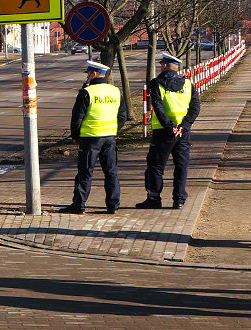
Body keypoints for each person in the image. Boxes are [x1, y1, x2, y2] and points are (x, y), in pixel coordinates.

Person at [59, 61, 127, 215]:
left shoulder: (87, 92)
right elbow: (123, 116)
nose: (88, 76)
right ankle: (113, 206)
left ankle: (79, 206)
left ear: (94, 74)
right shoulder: (116, 91)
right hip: (109, 138)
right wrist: (114, 130)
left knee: (85, 173)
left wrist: (75, 136)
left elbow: (77, 118)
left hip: (90, 139)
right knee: (111, 173)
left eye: (88, 73)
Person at [137, 52, 200, 209]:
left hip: (163, 132)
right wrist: (184, 126)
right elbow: (195, 107)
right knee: (181, 166)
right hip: (183, 133)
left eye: (161, 65)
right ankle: (179, 200)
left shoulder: (156, 83)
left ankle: (154, 199)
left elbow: (157, 107)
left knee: (156, 166)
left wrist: (169, 126)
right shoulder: (188, 84)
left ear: (164, 66)